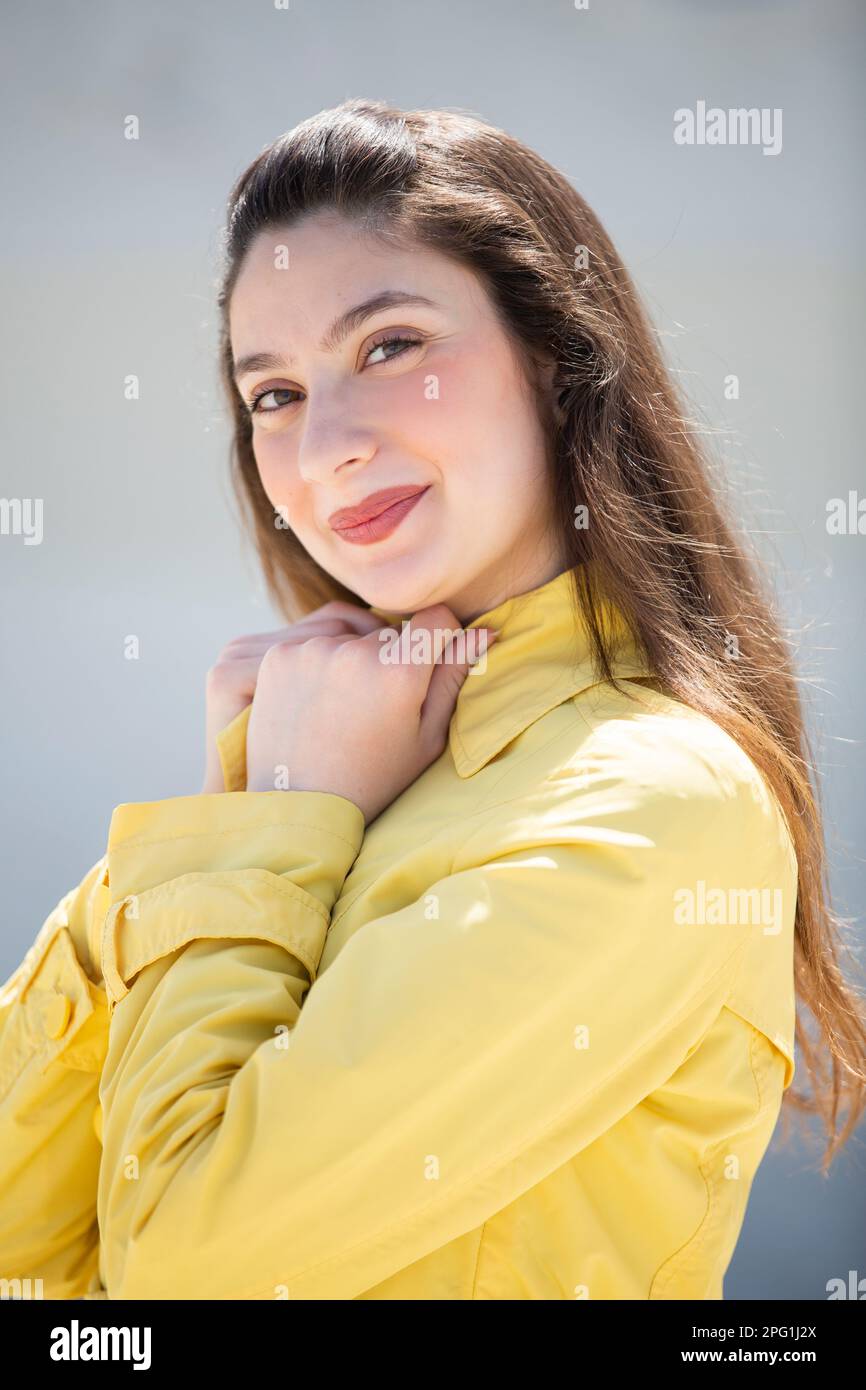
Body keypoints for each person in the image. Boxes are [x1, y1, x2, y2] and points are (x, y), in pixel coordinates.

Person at [1, 98, 863, 1302]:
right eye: (274, 395)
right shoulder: (326, 755)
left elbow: (182, 1271)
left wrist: (272, 827)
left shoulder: (656, 803)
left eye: (389, 346)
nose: (326, 447)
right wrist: (243, 809)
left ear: (555, 357)